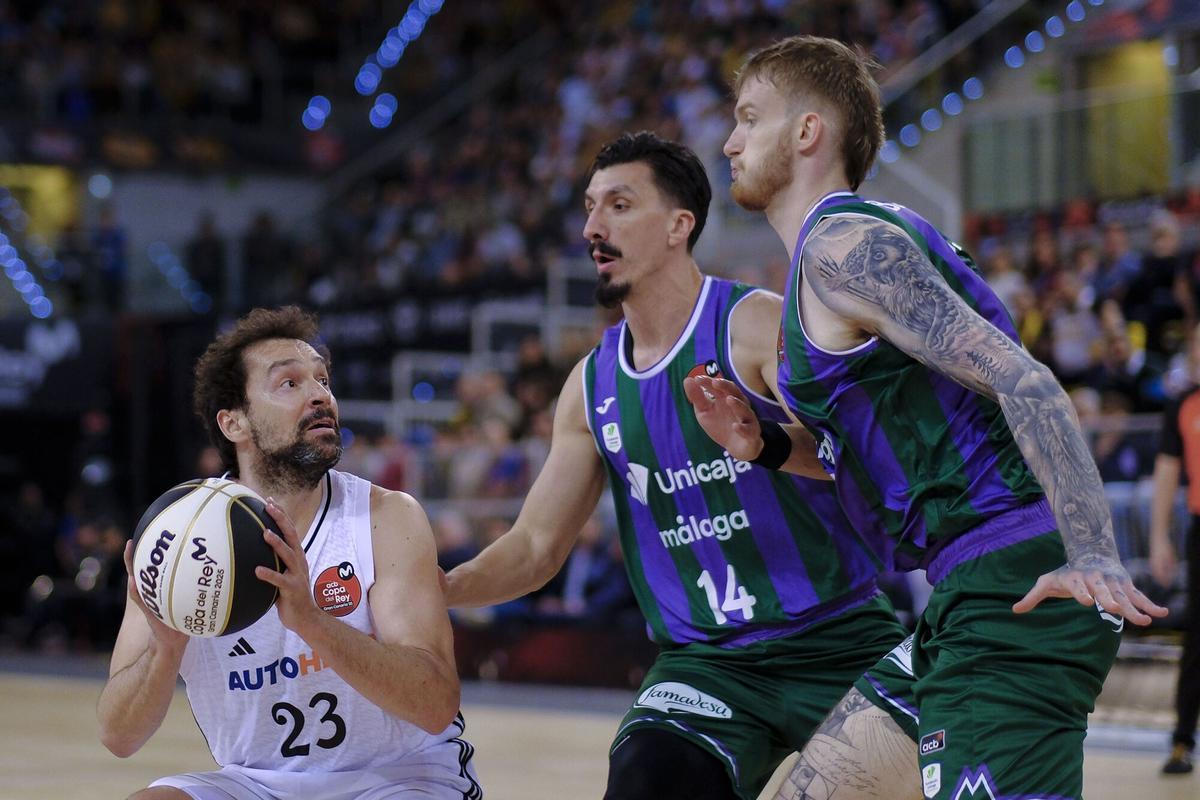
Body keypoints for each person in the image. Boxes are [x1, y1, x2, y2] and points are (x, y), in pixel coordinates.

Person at [689, 35, 1167, 800]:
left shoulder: (844, 248)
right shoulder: (840, 252)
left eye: (749, 117)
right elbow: (877, 437)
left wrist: (1094, 550)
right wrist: (770, 444)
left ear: (808, 131)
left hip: (1016, 584)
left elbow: (1025, 378)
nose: (730, 140)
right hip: (965, 593)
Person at [445, 131, 918, 800]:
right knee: (646, 777)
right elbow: (536, 545)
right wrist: (439, 591)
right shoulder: (589, 387)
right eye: (588, 207)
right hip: (706, 667)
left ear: (678, 225)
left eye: (618, 205)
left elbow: (865, 461)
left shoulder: (756, 328)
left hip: (837, 637)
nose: (592, 227)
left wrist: (766, 442)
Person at [97, 307, 480, 799]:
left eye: (322, 379)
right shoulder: (176, 538)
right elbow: (118, 736)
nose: (320, 394)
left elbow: (435, 704)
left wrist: (312, 622)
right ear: (234, 422)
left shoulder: (386, 517)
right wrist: (165, 649)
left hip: (399, 776)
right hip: (259, 785)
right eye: (289, 384)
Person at [1149, 322, 1200, 775]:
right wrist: (1158, 535)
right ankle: (1183, 740)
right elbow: (1167, 472)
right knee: (1196, 640)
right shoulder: (1182, 405)